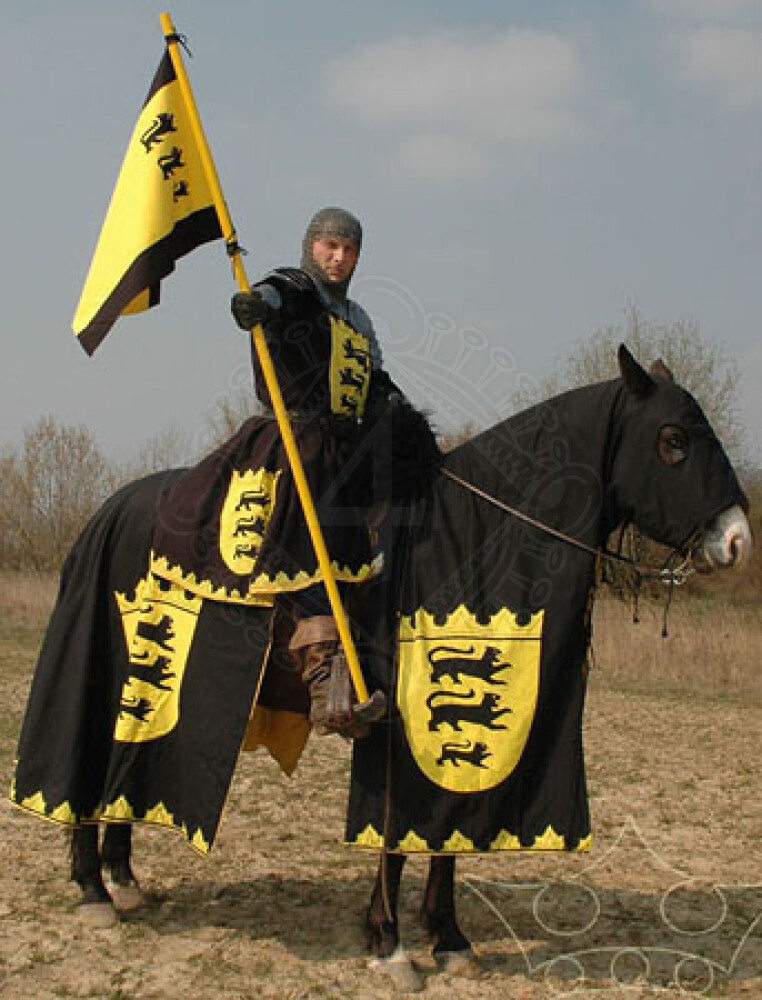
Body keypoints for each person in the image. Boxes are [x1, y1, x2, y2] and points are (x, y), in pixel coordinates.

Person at [228, 206, 440, 737]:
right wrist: (256, 305)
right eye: (330, 246)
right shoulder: (295, 288)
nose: (338, 257)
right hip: (295, 436)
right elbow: (272, 296)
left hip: (347, 441)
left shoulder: (359, 319)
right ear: (311, 246)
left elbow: (373, 378)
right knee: (317, 518)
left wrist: (399, 412)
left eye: (348, 250)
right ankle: (322, 675)